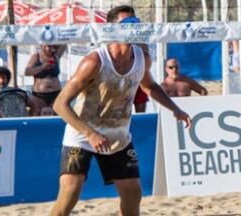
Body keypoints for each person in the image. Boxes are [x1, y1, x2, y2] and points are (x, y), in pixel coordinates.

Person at [50, 12, 191, 216]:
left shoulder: (142, 58)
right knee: (70, 193)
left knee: (133, 193)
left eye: (135, 21)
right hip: (81, 135)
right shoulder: (95, 61)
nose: (133, 25)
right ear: (111, 28)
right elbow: (60, 104)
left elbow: (150, 86)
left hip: (118, 137)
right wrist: (90, 134)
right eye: (126, 22)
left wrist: (175, 108)